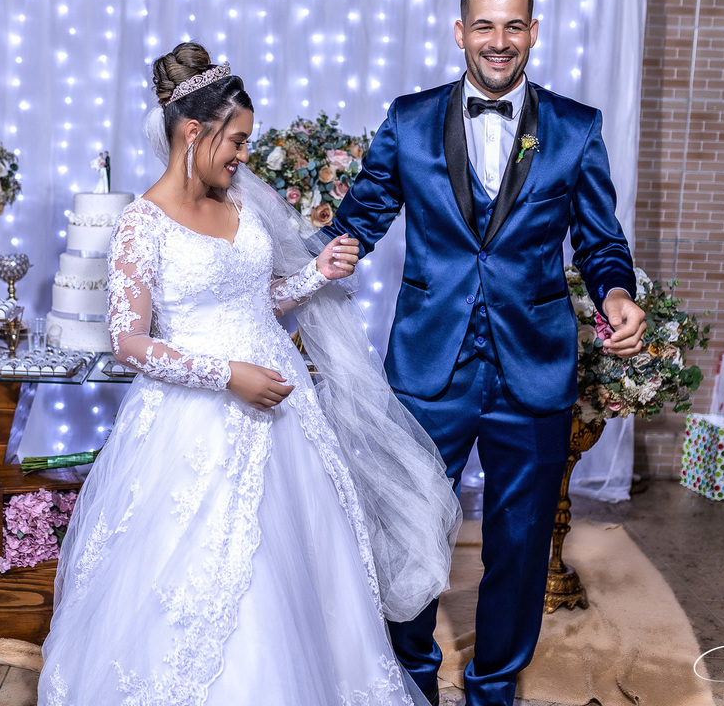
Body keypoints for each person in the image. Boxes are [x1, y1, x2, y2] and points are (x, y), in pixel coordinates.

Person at [37, 42, 462, 706]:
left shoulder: (239, 201)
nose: (242, 155)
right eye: (235, 140)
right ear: (192, 132)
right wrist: (227, 375)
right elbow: (129, 343)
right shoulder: (141, 224)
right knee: (216, 570)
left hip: (285, 406)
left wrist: (315, 274)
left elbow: (250, 302)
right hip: (197, 418)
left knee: (303, 563)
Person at [319, 0, 647, 706]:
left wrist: (616, 292)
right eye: (484, 25)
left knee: (521, 543)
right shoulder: (409, 119)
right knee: (407, 527)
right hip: (428, 364)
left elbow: (600, 240)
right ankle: (408, 679)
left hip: (534, 366)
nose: (499, 40)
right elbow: (360, 217)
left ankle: (493, 685)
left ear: (534, 32)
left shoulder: (575, 127)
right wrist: (318, 260)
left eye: (513, 25)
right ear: (460, 32)